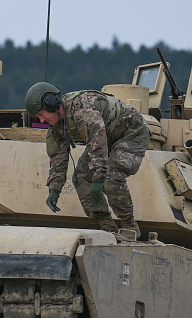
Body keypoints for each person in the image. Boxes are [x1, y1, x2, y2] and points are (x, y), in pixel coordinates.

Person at [25, 82, 150, 238]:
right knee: (81, 177)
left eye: (42, 115)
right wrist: (54, 190)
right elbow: (58, 158)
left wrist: (98, 177)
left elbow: (98, 141)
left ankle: (129, 226)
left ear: (52, 104)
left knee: (111, 177)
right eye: (38, 118)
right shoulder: (56, 128)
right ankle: (107, 227)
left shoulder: (83, 109)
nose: (42, 121)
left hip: (132, 132)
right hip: (107, 137)